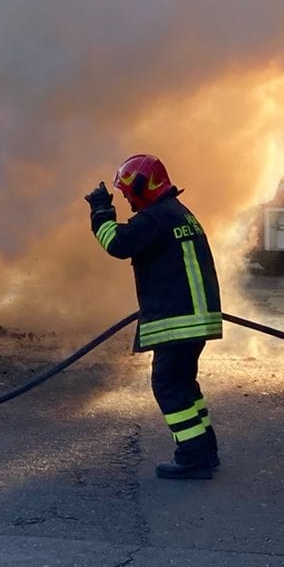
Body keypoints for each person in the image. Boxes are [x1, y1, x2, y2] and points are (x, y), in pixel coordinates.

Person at [86, 153, 223, 479]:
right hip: (195, 318)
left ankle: (193, 458)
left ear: (143, 187)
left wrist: (101, 212)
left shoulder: (155, 218)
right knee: (183, 384)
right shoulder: (180, 214)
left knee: (168, 385)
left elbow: (117, 243)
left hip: (178, 320)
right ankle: (205, 449)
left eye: (128, 193)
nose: (128, 201)